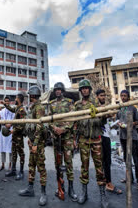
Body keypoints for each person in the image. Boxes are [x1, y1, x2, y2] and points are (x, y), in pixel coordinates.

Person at [75, 79, 108, 208]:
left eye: (86, 88)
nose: (85, 90)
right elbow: (75, 124)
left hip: (96, 139)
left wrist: (103, 113)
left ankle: (103, 195)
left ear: (89, 90)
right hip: (83, 140)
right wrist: (74, 140)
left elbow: (103, 123)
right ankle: (84, 193)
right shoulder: (77, 105)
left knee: (99, 168)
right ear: (80, 91)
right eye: (82, 88)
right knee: (84, 167)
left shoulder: (97, 103)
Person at [19, 85, 47, 206]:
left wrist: (35, 143)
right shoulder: (33, 107)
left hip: (38, 143)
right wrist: (30, 140)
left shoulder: (39, 107)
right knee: (31, 165)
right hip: (33, 142)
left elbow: (40, 126)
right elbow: (31, 125)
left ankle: (43, 193)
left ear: (33, 95)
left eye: (30, 95)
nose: (29, 97)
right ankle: (30, 188)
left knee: (41, 167)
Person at [49, 82, 77, 202]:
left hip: (67, 138)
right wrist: (55, 129)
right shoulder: (52, 104)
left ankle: (71, 189)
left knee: (69, 163)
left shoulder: (69, 103)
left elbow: (73, 118)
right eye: (56, 90)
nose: (58, 91)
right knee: (58, 164)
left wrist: (63, 129)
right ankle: (61, 187)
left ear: (63, 91)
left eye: (60, 90)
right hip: (56, 138)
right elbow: (49, 119)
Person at [117, 90, 138, 192]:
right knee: (126, 158)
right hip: (123, 136)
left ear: (128, 97)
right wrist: (119, 124)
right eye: (122, 96)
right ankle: (130, 178)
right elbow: (117, 120)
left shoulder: (133, 108)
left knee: (136, 159)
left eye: (125, 96)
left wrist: (131, 123)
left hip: (132, 136)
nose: (123, 97)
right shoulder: (119, 108)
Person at [96, 89, 122, 195]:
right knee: (103, 162)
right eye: (101, 95)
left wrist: (112, 125)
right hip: (100, 137)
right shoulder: (96, 107)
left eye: (104, 95)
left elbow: (106, 124)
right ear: (97, 96)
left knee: (107, 161)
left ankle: (107, 182)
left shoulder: (104, 107)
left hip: (106, 136)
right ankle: (107, 183)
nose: (104, 97)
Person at [3, 93, 27, 180]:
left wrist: (13, 130)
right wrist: (5, 105)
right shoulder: (17, 108)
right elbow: (11, 109)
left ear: (19, 99)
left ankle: (21, 171)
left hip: (19, 136)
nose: (15, 100)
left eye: (16, 98)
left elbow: (22, 125)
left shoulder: (22, 110)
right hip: (15, 136)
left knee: (21, 153)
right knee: (14, 153)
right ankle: (13, 170)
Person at [0, 96, 15, 171]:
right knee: (2, 148)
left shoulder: (12, 110)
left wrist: (10, 124)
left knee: (10, 149)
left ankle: (10, 165)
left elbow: (14, 119)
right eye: (5, 101)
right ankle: (3, 164)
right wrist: (5, 124)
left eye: (8, 101)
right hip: (3, 130)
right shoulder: (2, 111)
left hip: (10, 131)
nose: (6, 102)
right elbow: (1, 118)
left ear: (10, 102)